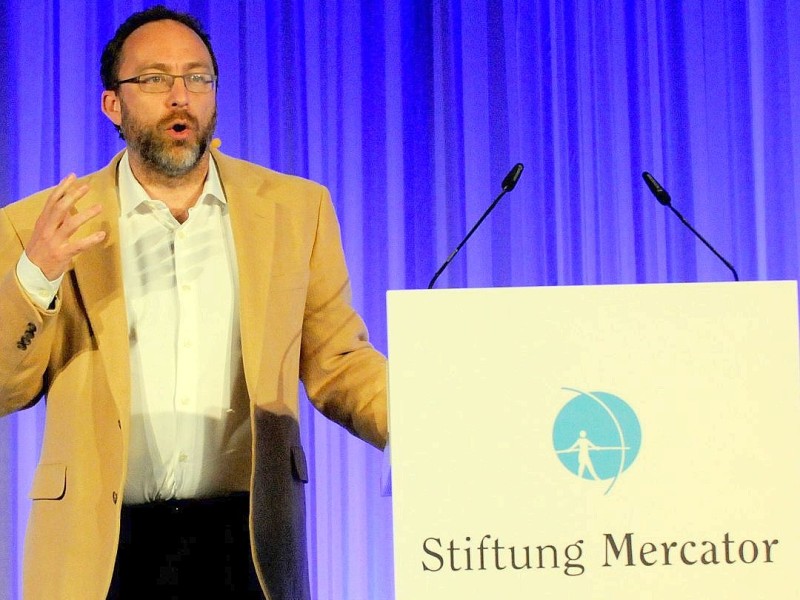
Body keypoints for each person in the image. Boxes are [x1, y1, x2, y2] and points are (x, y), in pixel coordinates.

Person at [0, 5, 387, 599]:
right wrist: (38, 277)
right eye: (153, 79)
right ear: (114, 105)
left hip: (246, 543)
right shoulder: (39, 227)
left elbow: (338, 363)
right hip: (102, 548)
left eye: (197, 78)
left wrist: (428, 425)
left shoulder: (294, 210)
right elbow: (7, 387)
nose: (179, 96)